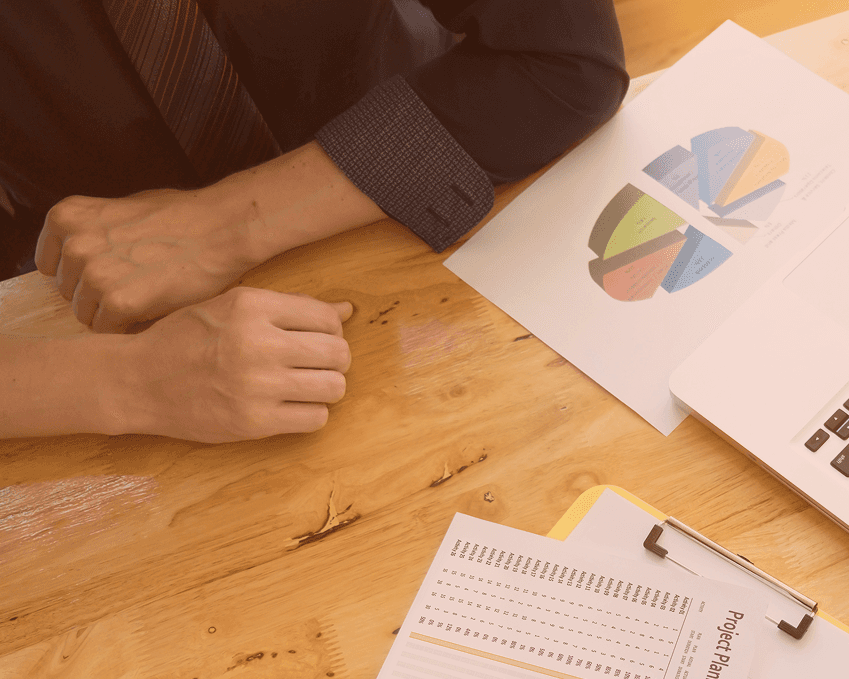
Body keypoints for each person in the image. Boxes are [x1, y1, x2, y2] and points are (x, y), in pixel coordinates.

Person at [0, 0, 628, 442]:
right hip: (97, 308)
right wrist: (124, 384)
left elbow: (565, 53)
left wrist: (223, 224)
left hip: (411, 185)